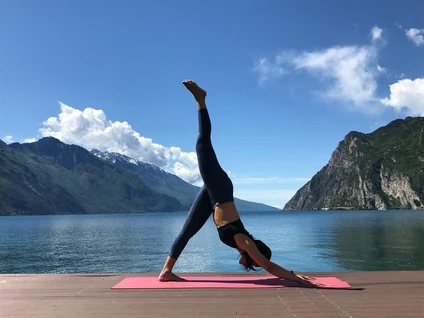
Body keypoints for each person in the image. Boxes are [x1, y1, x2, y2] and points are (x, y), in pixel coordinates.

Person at [159, 80, 323, 288]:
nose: (253, 266)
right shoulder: (245, 242)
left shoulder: (241, 245)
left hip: (215, 197)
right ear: (254, 255)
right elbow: (270, 266)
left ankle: (166, 271)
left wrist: (293, 273)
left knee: (188, 229)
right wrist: (296, 278)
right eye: (255, 263)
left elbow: (268, 265)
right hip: (220, 189)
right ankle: (201, 100)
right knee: (203, 144)